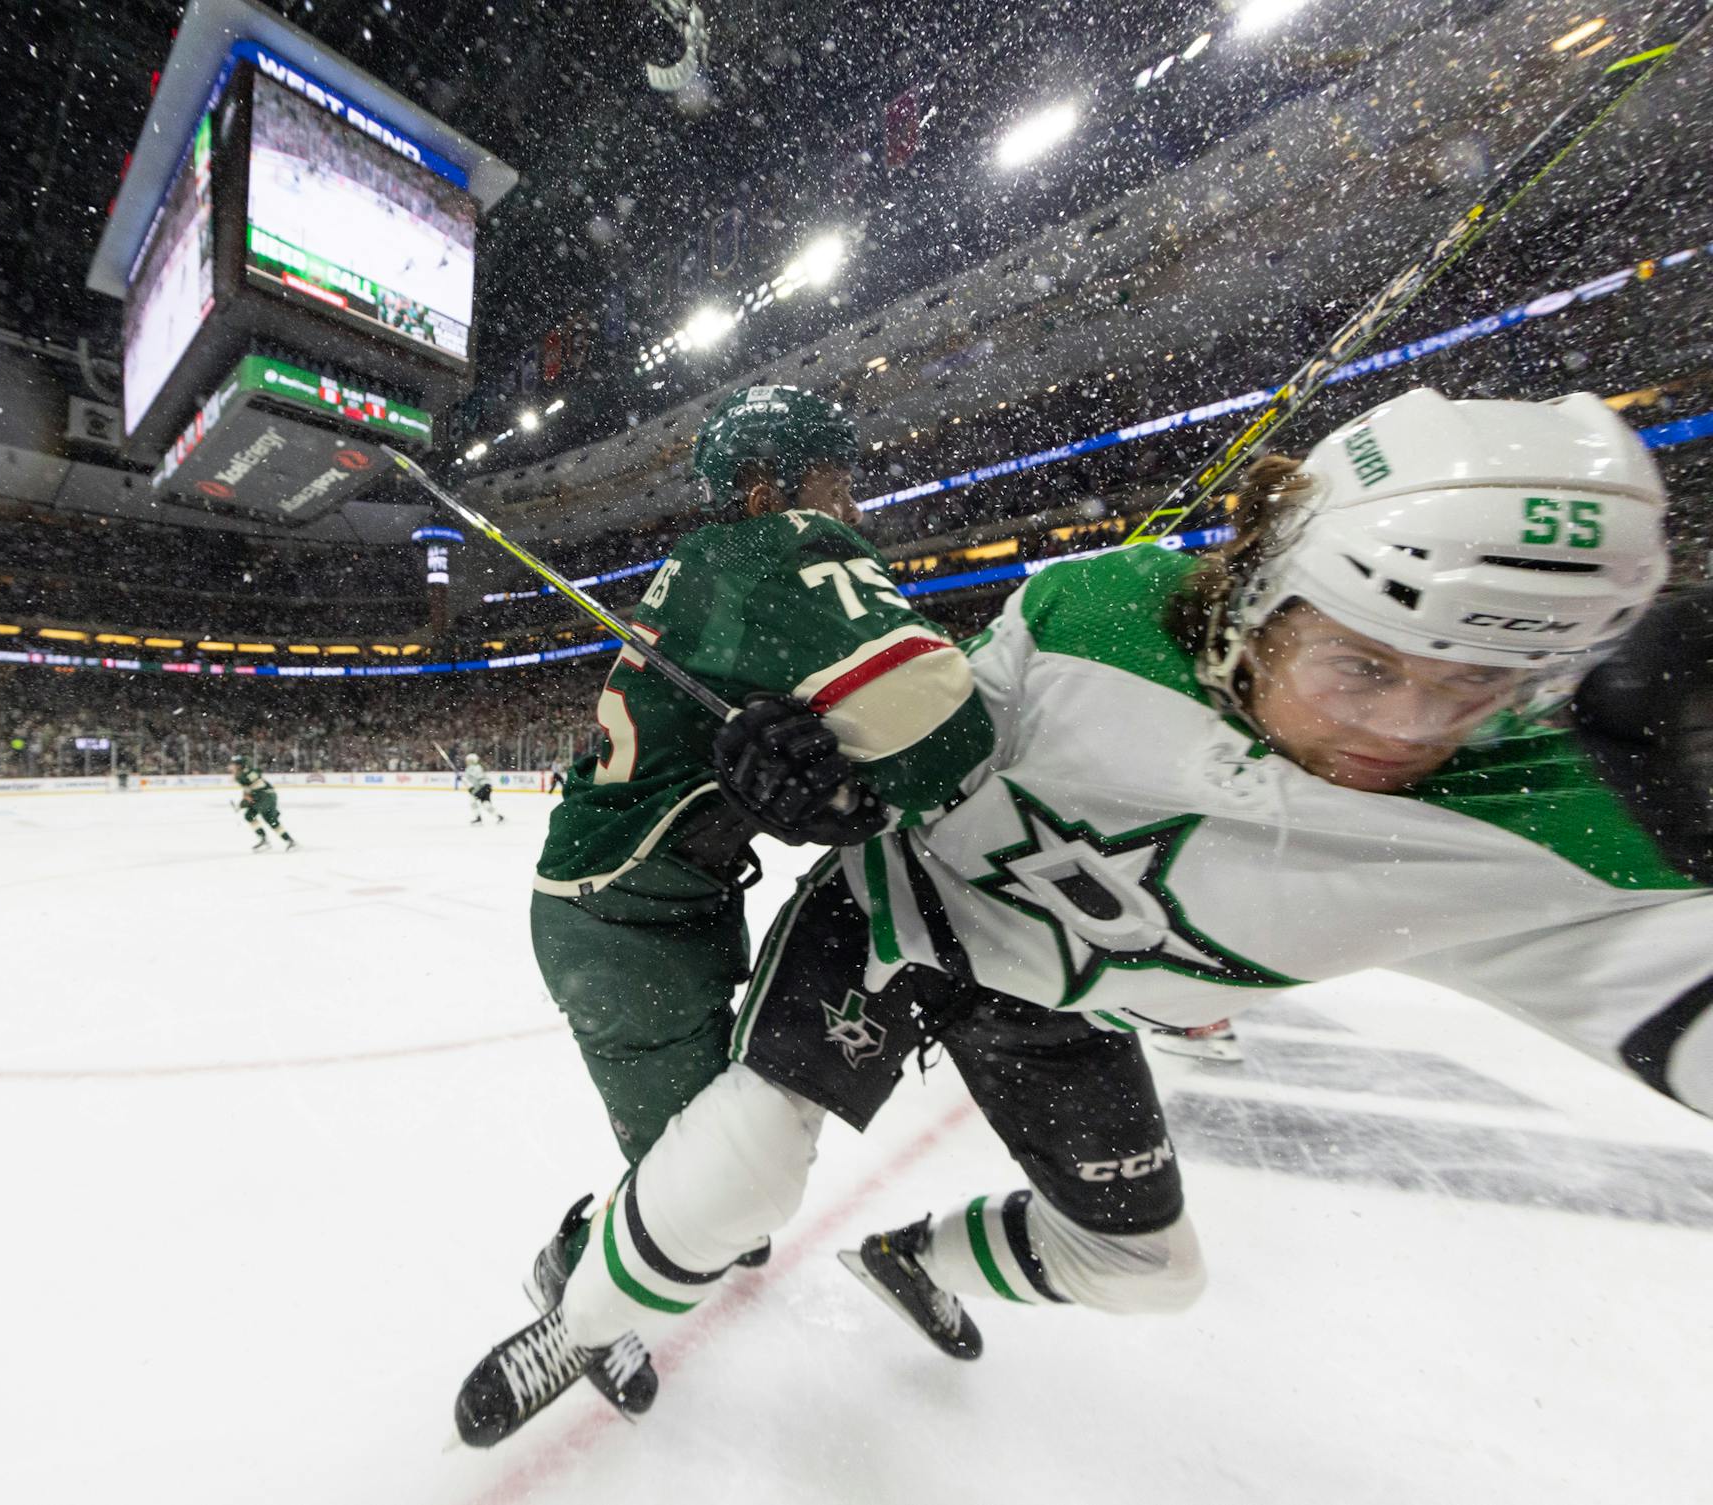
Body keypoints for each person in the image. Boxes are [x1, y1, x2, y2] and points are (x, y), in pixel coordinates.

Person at [452, 387, 1712, 1446]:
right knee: (735, 1172)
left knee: (1150, 1271)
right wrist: (831, 787)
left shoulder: (1548, 824)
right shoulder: (1093, 616)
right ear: (1267, 594)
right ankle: (584, 1312)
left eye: (1480, 687)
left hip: (1066, 996)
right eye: (1362, 662)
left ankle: (908, 1259)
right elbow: (929, 753)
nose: (1402, 730)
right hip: (907, 921)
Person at [521, 383, 996, 1418]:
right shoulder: (762, 549)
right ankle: (571, 1272)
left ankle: (624, 1247)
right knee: (705, 1194)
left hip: (661, 902)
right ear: (765, 485)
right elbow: (944, 740)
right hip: (620, 920)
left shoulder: (713, 573)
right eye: (839, 481)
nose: (854, 509)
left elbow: (760, 766)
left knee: (728, 1184)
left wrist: (806, 791)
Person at [231, 754, 297, 851]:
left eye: (236, 764)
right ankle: (289, 841)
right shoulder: (244, 774)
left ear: (240, 765)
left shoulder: (246, 774)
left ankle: (265, 840)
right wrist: (243, 803)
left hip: (265, 796)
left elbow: (251, 792)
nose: (233, 767)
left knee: (250, 815)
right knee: (270, 820)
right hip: (267, 796)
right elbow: (248, 793)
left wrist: (242, 805)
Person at [464, 753, 506, 825]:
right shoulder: (476, 767)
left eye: (468, 760)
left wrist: (471, 788)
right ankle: (500, 817)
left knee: (473, 801)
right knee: (486, 804)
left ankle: (478, 818)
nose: (467, 762)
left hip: (484, 786)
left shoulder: (473, 768)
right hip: (487, 786)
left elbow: (477, 778)